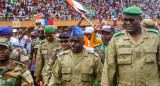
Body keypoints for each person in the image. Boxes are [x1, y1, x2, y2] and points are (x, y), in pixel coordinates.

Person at [101, 7, 160, 86]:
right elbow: (109, 68)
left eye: (132, 20)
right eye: (125, 20)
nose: (128, 23)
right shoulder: (116, 39)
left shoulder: (155, 37)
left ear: (140, 19)